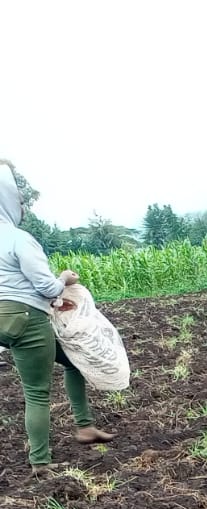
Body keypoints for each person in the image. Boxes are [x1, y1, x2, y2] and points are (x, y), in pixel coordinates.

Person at [0, 162, 112, 474]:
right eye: (19, 200)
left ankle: (85, 426)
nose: (22, 206)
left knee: (74, 360)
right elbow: (46, 287)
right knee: (36, 393)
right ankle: (40, 463)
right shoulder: (18, 238)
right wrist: (65, 278)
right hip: (25, 319)